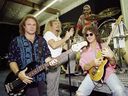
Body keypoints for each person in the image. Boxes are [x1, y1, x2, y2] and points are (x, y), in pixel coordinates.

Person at [8, 15, 58, 96]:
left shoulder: (42, 40)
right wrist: (18, 73)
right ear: (24, 26)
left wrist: (51, 61)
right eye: (29, 24)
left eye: (34, 25)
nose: (32, 27)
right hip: (25, 79)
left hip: (41, 79)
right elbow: (11, 60)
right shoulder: (16, 41)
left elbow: (47, 56)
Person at [76, 25, 127, 96]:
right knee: (80, 94)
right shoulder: (84, 51)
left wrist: (111, 57)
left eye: (91, 34)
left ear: (96, 34)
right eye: (87, 35)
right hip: (93, 74)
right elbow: (84, 67)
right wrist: (92, 63)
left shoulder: (104, 46)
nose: (89, 36)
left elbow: (113, 64)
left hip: (107, 72)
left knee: (119, 90)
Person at [43, 19, 74, 96]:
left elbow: (67, 48)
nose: (58, 25)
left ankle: (70, 72)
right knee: (51, 87)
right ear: (50, 26)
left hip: (58, 62)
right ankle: (70, 72)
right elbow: (53, 45)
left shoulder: (59, 38)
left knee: (55, 86)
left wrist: (70, 38)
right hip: (51, 61)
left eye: (58, 24)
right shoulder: (48, 34)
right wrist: (66, 38)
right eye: (55, 23)